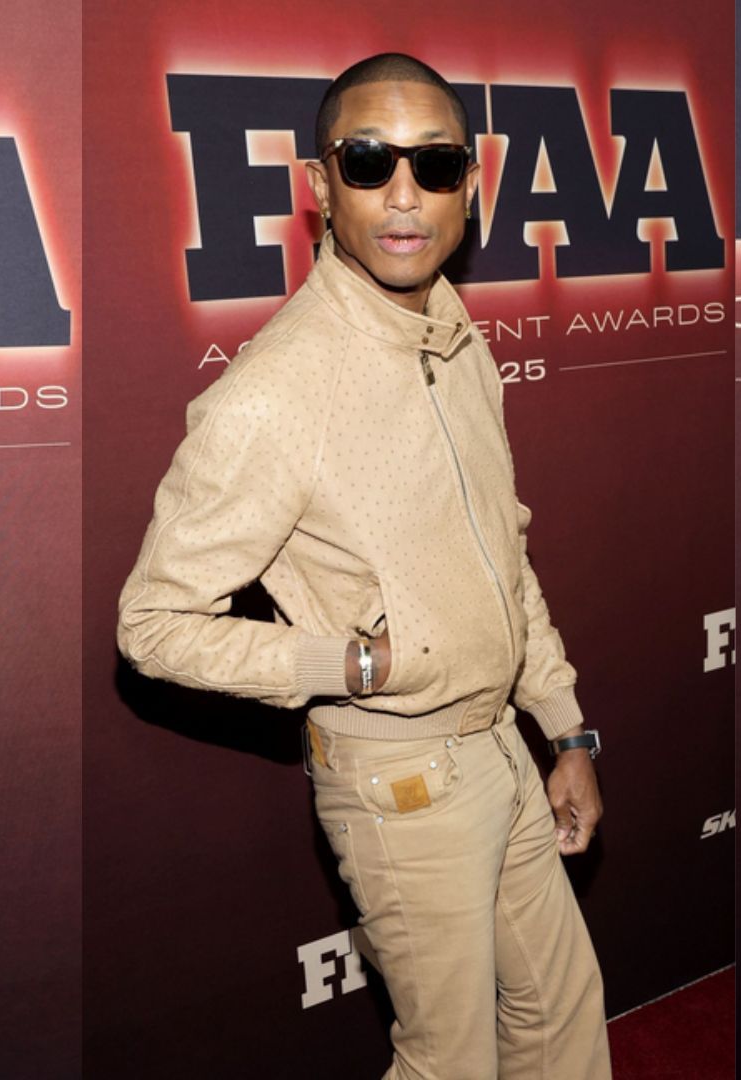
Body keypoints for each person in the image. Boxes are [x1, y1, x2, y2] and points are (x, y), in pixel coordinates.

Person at [116, 52, 610, 1080]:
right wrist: (353, 667)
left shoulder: (455, 338)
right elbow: (153, 626)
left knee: (564, 1021)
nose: (402, 195)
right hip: (400, 780)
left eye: (433, 165)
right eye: (369, 160)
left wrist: (564, 726)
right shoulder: (276, 391)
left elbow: (502, 554)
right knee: (450, 1062)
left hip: (502, 751)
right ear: (318, 185)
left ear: (471, 188)